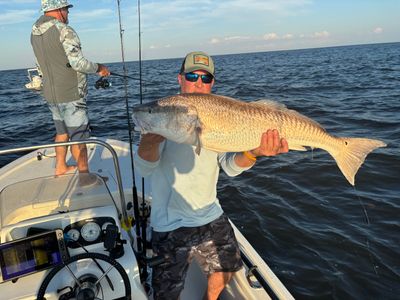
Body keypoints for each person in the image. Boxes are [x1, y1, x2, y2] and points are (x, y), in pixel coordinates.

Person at [134, 51, 289, 300]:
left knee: (227, 269)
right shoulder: (166, 113)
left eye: (205, 79)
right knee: (166, 294)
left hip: (210, 213)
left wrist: (255, 152)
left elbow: (229, 165)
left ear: (212, 84)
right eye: (192, 75)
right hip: (170, 222)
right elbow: (143, 169)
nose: (198, 82)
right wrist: (149, 141)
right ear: (180, 79)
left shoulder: (219, 114)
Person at [31, 0, 110, 176]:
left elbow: (41, 66)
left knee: (61, 132)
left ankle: (60, 167)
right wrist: (100, 68)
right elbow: (78, 63)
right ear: (58, 9)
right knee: (79, 137)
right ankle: (84, 177)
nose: (68, 13)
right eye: (66, 9)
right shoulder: (65, 30)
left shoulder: (34, 32)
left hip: (51, 94)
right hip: (71, 93)